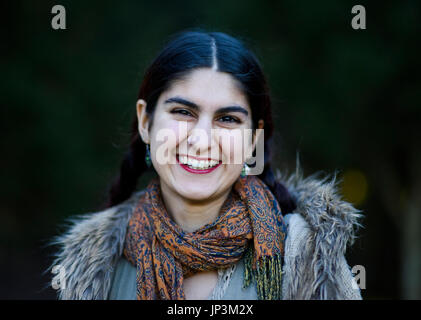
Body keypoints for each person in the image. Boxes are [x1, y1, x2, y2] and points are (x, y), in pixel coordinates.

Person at [50, 30, 362, 300]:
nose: (202, 140)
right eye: (183, 112)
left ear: (254, 138)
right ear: (146, 121)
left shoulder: (308, 259)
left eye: (227, 119)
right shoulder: (94, 263)